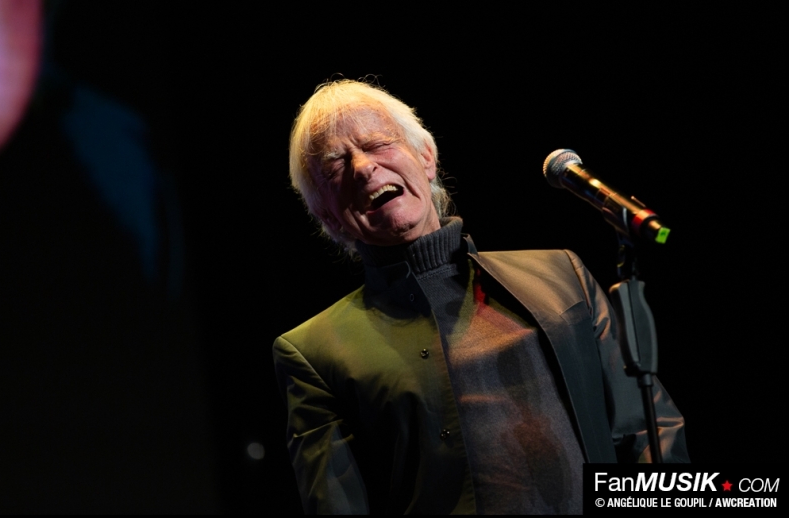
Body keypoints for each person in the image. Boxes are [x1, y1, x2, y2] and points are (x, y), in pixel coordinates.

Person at [272, 79, 689, 514]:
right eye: (336, 164)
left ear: (427, 158)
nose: (363, 167)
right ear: (327, 216)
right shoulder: (315, 354)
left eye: (377, 143)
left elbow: (646, 429)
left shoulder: (560, 275)